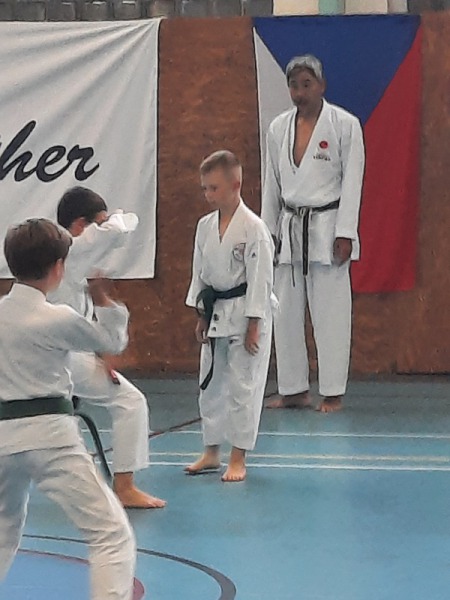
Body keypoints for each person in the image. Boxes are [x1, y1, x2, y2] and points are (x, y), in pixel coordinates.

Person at [0, 218, 136, 600]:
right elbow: (111, 341)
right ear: (59, 268)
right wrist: (103, 301)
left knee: (2, 530)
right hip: (51, 441)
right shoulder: (56, 317)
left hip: (2, 441)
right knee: (111, 534)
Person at [48, 186, 166, 509]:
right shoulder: (70, 250)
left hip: (58, 357)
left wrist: (101, 349)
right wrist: (114, 219)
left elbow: (81, 323)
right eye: (97, 223)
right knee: (130, 401)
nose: (102, 230)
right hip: (59, 359)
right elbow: (119, 229)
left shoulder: (65, 259)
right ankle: (124, 487)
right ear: (80, 226)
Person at [261, 54, 365, 413]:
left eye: (307, 84)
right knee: (285, 314)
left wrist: (345, 232)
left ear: (321, 85)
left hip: (327, 227)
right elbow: (271, 185)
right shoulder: (278, 128)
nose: (300, 92)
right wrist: (268, 232)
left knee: (331, 315)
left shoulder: (345, 125)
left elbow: (353, 182)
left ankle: (332, 390)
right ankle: (293, 389)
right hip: (289, 229)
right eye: (294, 85)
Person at [185, 150, 275, 482]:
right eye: (205, 188)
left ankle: (238, 457)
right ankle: (211, 451)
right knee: (210, 383)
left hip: (246, 313)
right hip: (216, 312)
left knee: (243, 386)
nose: (208, 195)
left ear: (235, 185)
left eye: (214, 188)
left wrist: (254, 324)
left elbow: (261, 280)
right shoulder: (204, 226)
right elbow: (200, 275)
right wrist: (200, 314)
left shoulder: (254, 229)